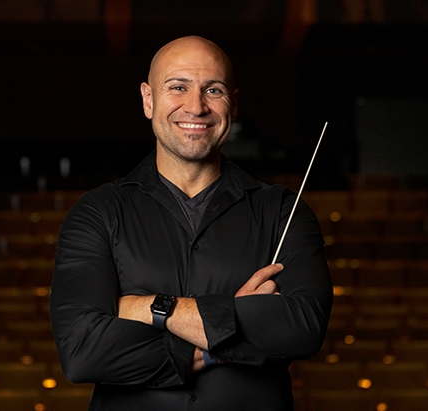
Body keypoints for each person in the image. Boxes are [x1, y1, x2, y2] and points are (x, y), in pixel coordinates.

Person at [50, 35, 333, 410]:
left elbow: (302, 327)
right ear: (148, 100)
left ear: (232, 101)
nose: (196, 107)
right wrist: (234, 326)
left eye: (212, 90)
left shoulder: (284, 210)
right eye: (178, 87)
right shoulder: (97, 212)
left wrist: (150, 307)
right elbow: (82, 351)